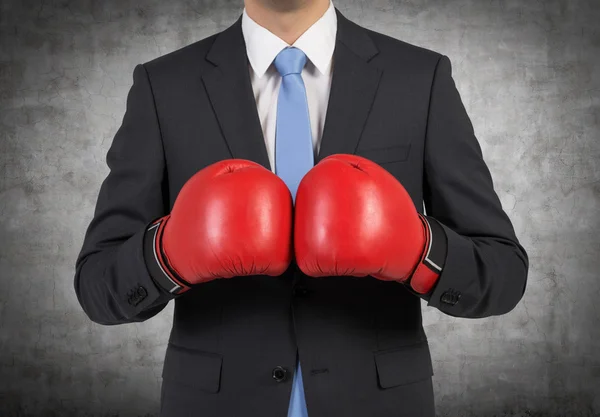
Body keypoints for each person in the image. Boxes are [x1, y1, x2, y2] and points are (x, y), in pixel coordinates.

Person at [74, 0, 529, 415]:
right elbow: (98, 286)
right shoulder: (164, 85)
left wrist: (418, 252)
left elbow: (503, 272)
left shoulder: (419, 77)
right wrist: (168, 255)